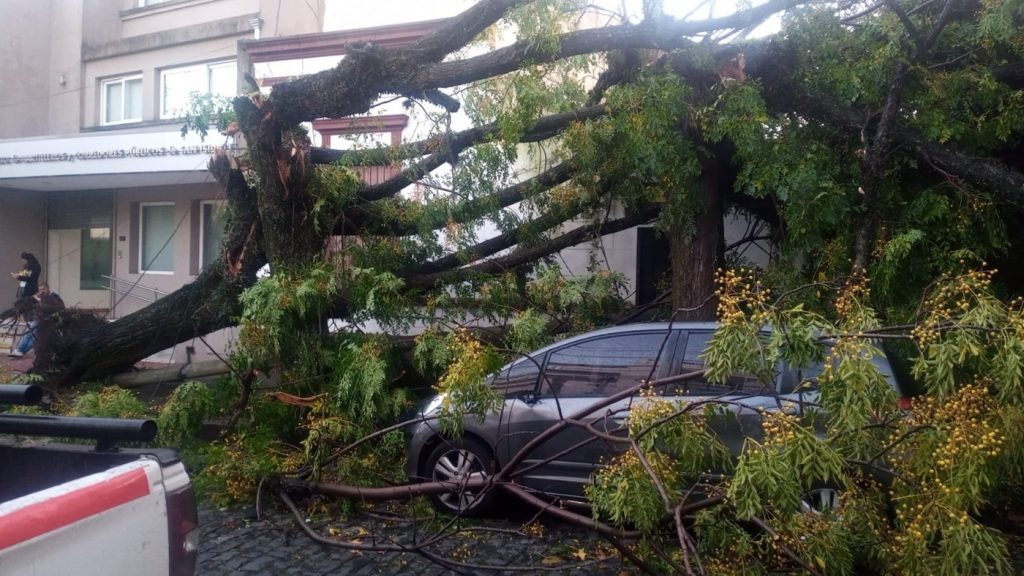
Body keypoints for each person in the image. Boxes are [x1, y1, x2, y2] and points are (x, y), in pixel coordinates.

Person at [8, 282, 64, 358]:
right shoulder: (38, 297)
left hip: (48, 321)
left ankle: (20, 351)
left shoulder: (53, 297)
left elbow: (57, 308)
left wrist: (40, 301)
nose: (42, 291)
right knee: (28, 334)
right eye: (40, 290)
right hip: (37, 319)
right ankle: (19, 351)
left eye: (43, 289)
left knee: (35, 338)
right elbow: (27, 303)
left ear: (48, 288)